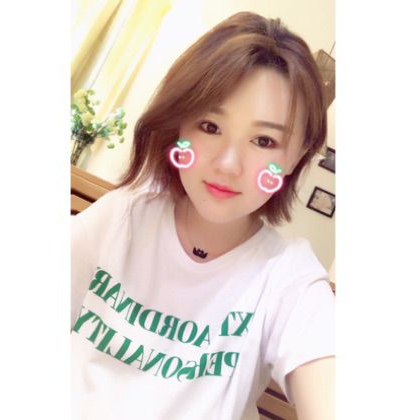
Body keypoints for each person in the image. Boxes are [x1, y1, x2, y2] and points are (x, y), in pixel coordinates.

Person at [71, 11, 335, 420]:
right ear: (179, 123)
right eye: (210, 126)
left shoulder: (287, 278)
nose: (228, 164)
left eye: (264, 140)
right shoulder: (123, 216)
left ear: (297, 155)